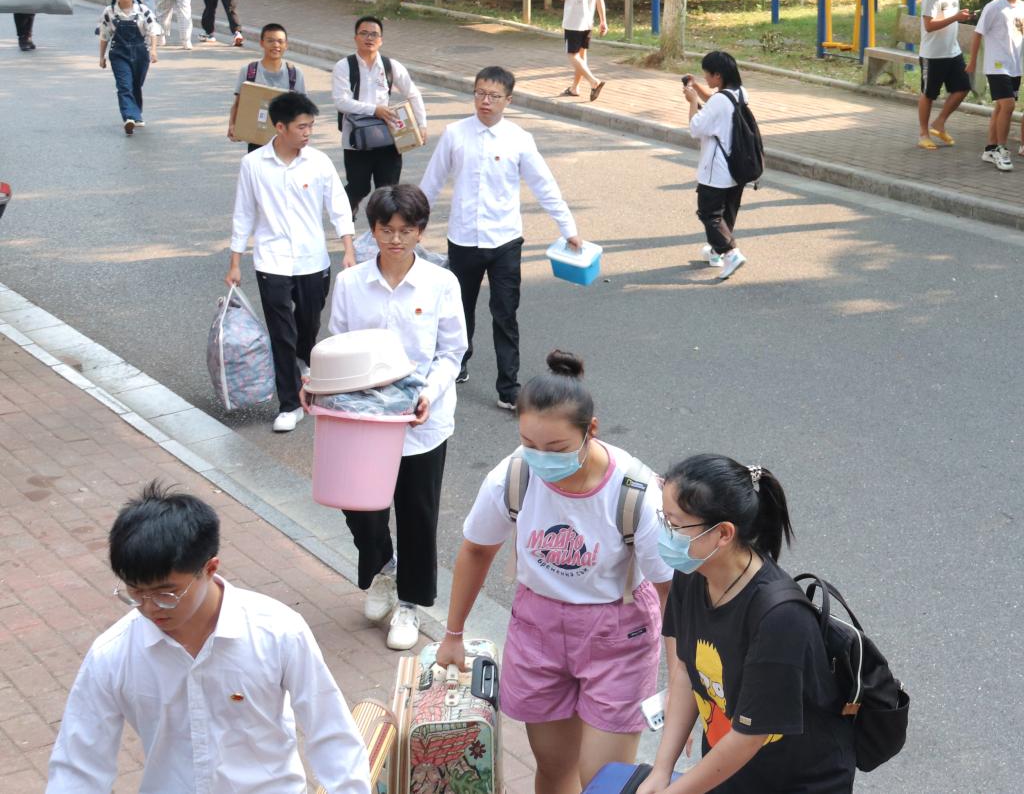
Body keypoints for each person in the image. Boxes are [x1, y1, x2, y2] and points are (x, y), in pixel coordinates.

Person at [435, 351, 673, 793]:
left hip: (617, 633)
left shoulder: (635, 492)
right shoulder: (514, 476)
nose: (541, 459)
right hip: (539, 628)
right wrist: (453, 634)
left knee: (604, 781)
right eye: (529, 443)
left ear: (591, 431)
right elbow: (476, 550)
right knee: (553, 767)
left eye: (557, 449)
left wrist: (682, 682)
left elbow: (668, 590)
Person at [45, 480, 372, 794]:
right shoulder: (112, 654)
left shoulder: (278, 632)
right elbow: (79, 765)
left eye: (166, 593)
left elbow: (331, 734)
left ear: (210, 568)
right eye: (135, 592)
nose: (149, 607)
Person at [636, 454, 856, 794]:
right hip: (728, 769)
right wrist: (661, 770)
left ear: (723, 533)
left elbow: (749, 737)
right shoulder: (693, 572)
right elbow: (687, 671)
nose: (664, 534)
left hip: (795, 783)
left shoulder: (779, 618)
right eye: (663, 519)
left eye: (675, 525)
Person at [311, 184, 467, 651]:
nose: (396, 240)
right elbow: (338, 346)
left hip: (422, 420)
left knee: (417, 514)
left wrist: (429, 394)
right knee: (362, 509)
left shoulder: (441, 284)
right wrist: (316, 382)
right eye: (386, 230)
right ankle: (383, 569)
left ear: (420, 232)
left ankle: (410, 603)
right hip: (363, 422)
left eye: (406, 230)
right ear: (373, 231)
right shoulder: (351, 283)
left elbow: (451, 352)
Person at [420, 66, 582, 410]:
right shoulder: (454, 134)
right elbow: (432, 181)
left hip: (505, 241)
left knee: (505, 314)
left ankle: (508, 387)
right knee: (458, 309)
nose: (485, 101)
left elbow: (544, 185)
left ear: (508, 100)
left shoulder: (519, 139)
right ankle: (456, 363)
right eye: (480, 93)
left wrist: (568, 228)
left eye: (493, 96)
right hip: (463, 239)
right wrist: (413, 223)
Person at [226, 91, 355, 433]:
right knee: (281, 333)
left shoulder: (319, 162)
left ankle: (302, 358)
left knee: (308, 323)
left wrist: (348, 248)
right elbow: (243, 213)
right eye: (302, 126)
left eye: (311, 125)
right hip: (272, 261)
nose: (308, 132)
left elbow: (338, 205)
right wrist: (235, 262)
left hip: (313, 260)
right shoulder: (254, 165)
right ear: (280, 127)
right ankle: (289, 403)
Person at [331, 15, 427, 218]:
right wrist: (375, 110)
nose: (369, 38)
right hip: (356, 141)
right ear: (355, 37)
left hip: (388, 139)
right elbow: (341, 102)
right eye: (364, 33)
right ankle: (345, 220)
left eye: (374, 34)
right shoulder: (344, 66)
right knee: (358, 187)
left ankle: (383, 230)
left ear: (381, 40)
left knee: (388, 192)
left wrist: (422, 124)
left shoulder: (391, 66)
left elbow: (413, 93)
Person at [681, 51, 748, 280]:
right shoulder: (739, 93)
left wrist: (692, 102)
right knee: (726, 213)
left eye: (707, 75)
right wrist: (698, 89)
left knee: (709, 213)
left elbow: (695, 128)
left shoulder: (719, 100)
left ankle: (730, 253)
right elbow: (717, 101)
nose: (706, 78)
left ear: (718, 75)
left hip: (716, 168)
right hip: (737, 166)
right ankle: (715, 251)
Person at [967, 0, 1024, 171]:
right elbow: (977, 34)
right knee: (1008, 106)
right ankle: (1001, 149)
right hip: (997, 65)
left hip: (1014, 66)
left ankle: (990, 149)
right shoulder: (994, 7)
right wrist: (973, 61)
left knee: (1000, 108)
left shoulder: (1022, 7)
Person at [917, 0, 972, 150]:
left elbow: (951, 17)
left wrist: (960, 17)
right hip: (932, 54)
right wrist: (955, 17)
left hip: (952, 51)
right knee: (929, 94)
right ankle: (923, 134)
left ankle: (939, 123)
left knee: (963, 87)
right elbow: (929, 25)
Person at [229, 22, 307, 153]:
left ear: (286, 45)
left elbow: (303, 110)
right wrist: (232, 125)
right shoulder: (249, 71)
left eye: (280, 41)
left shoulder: (295, 74)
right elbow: (238, 104)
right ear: (262, 43)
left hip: (287, 143)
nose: (276, 45)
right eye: (270, 41)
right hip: (256, 143)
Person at [98, 0, 160, 136]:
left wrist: (153, 50)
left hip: (140, 53)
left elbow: (153, 30)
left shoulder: (143, 10)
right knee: (124, 85)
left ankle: (136, 114)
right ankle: (129, 117)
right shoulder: (109, 12)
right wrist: (101, 57)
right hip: (119, 53)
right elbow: (104, 35)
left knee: (136, 85)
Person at [554, 0, 608, 101]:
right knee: (581, 55)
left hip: (573, 20)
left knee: (572, 55)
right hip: (588, 20)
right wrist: (603, 21)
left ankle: (594, 82)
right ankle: (574, 87)